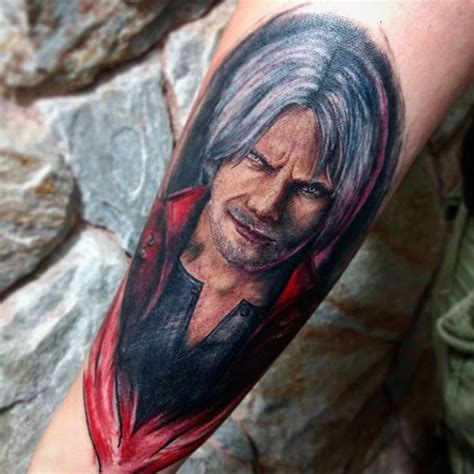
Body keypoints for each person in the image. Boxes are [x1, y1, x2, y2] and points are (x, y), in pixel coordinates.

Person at [29, 2, 474, 473]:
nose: (266, 205)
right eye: (258, 161)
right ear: (220, 147)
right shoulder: (167, 250)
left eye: (310, 189)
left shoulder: (285, 300)